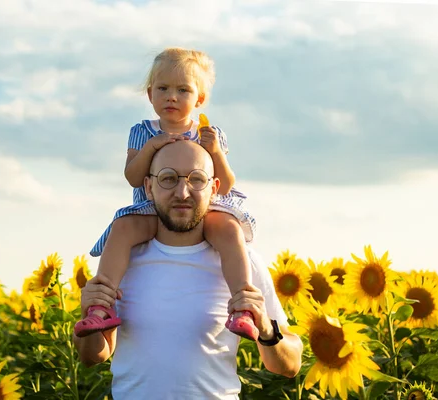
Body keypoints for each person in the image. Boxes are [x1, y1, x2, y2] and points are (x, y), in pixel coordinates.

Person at [73, 140, 303, 399]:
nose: (182, 192)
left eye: (197, 179)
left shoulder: (242, 263)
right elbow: (94, 356)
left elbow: (290, 365)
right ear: (148, 187)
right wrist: (87, 318)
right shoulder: (123, 259)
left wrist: (267, 330)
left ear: (214, 189)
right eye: (168, 178)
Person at [75, 47, 260, 340]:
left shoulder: (209, 133)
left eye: (183, 90)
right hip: (153, 208)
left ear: (199, 99)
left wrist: (214, 152)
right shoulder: (143, 131)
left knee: (229, 229)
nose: (171, 96)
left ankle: (243, 306)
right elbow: (133, 178)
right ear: (150, 95)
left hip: (203, 208)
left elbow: (224, 184)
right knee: (122, 227)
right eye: (163, 88)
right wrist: (152, 148)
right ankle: (101, 305)